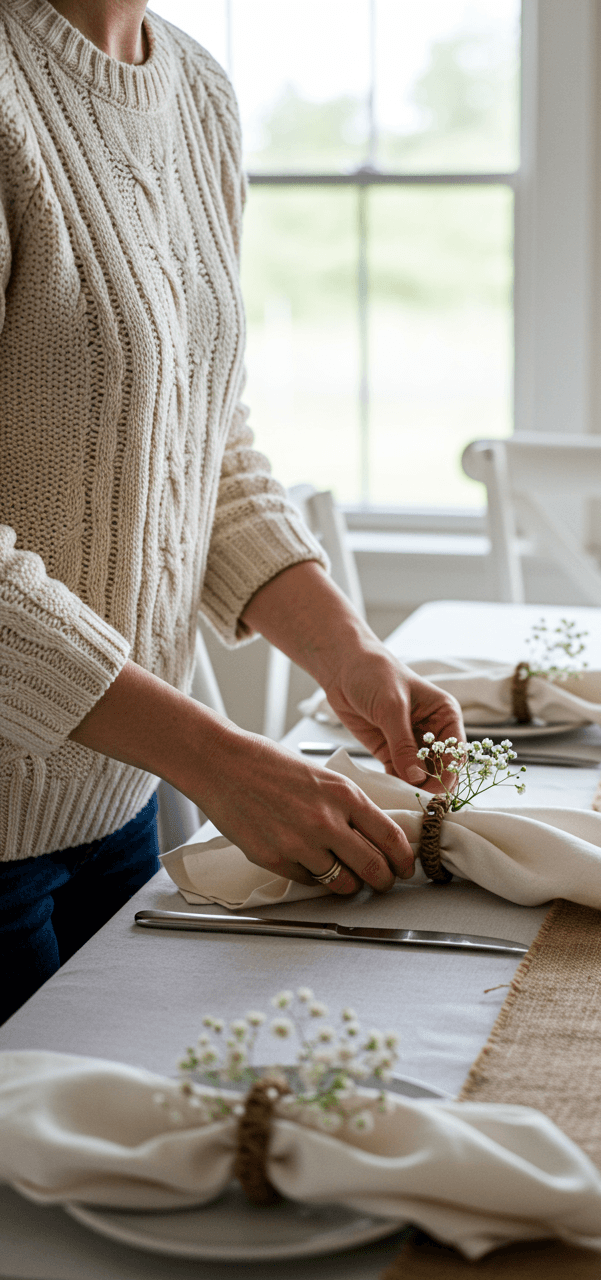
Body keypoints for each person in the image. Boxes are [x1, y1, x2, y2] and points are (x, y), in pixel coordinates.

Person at [0, 0, 463, 1024]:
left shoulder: (198, 92)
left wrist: (345, 647)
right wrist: (215, 759)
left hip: (120, 796)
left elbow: (201, 437)